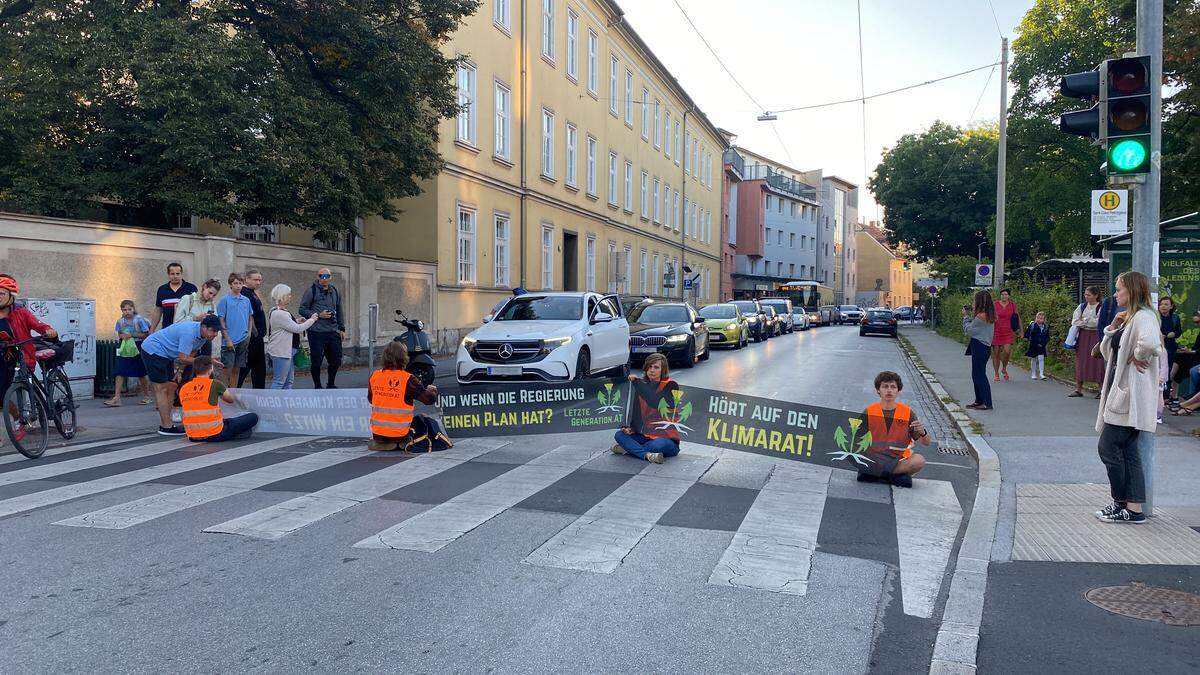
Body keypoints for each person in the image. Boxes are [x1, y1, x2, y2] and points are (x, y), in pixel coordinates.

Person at [1094, 271, 1162, 525]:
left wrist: (1139, 356)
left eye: (1119, 289)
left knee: (1109, 447)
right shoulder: (1130, 318)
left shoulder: (1144, 317)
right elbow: (1104, 351)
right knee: (1129, 451)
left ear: (1131, 291)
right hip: (1123, 394)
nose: (1115, 294)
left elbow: (1151, 343)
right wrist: (1112, 328)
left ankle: (1121, 502)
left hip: (1129, 397)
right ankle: (1133, 509)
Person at [140, 315, 222, 435]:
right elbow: (183, 358)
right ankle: (166, 426)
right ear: (204, 327)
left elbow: (191, 354)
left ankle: (168, 424)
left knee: (172, 386)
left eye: (217, 331)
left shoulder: (203, 337)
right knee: (161, 388)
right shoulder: (189, 333)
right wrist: (208, 360)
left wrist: (180, 371)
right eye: (213, 331)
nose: (215, 334)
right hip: (153, 350)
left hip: (166, 354)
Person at [0, 277, 58, 447]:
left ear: (11, 296)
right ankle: (19, 418)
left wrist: (48, 330)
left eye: (1, 293)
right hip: (1, 358)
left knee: (5, 393)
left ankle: (23, 416)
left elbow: (39, 325)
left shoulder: (21, 312)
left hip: (20, 357)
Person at [856, 371, 929, 488]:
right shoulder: (869, 411)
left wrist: (923, 432)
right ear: (878, 391)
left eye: (893, 387)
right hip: (874, 458)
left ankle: (878, 474)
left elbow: (926, 443)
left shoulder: (907, 413)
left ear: (898, 391)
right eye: (885, 386)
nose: (889, 390)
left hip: (897, 460)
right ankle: (892, 476)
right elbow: (856, 439)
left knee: (919, 461)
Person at [367, 342, 438, 451]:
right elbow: (428, 400)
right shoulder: (408, 379)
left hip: (378, 435)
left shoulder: (375, 376)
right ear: (403, 358)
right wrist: (431, 391)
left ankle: (387, 443)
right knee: (423, 417)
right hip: (401, 434)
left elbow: (371, 399)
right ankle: (401, 442)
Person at [611, 353, 681, 464]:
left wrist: (637, 384)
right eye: (649, 366)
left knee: (658, 445)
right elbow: (636, 413)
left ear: (662, 370)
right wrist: (629, 427)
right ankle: (647, 455)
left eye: (656, 367)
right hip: (645, 435)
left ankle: (629, 449)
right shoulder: (642, 385)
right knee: (619, 435)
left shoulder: (671, 385)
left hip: (666, 438)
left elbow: (655, 401)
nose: (652, 370)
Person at [178, 356, 259, 442]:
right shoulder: (215, 384)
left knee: (226, 421)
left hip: (192, 435)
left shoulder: (184, 388)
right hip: (215, 433)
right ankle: (233, 434)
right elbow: (230, 400)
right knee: (253, 417)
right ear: (210, 369)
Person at [298, 267, 346, 389]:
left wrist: (342, 328)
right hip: (316, 332)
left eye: (326, 276)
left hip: (333, 331)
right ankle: (317, 386)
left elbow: (339, 309)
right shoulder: (311, 291)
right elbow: (302, 309)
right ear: (317, 277)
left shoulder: (334, 291)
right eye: (321, 276)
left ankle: (331, 383)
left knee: (336, 361)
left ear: (330, 277)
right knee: (316, 362)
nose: (324, 279)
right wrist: (319, 315)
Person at [266, 284, 317, 390]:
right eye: (288, 294)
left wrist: (297, 321)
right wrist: (312, 319)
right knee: (279, 382)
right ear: (282, 296)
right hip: (281, 352)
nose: (290, 296)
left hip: (287, 351)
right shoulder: (280, 313)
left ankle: (284, 403)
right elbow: (298, 329)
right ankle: (272, 404)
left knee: (288, 381)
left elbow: (285, 326)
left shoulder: (277, 310)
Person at [105, 300, 152, 407]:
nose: (127, 312)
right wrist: (122, 336)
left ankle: (147, 396)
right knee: (119, 370)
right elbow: (119, 333)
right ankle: (117, 397)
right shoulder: (120, 321)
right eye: (124, 310)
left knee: (141, 372)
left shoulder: (139, 320)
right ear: (121, 310)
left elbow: (145, 334)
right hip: (126, 346)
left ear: (133, 309)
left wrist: (132, 335)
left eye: (129, 309)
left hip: (139, 346)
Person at [217, 273, 253, 387]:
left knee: (237, 369)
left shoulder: (246, 300)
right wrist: (227, 339)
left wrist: (249, 333)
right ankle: (221, 394)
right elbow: (221, 320)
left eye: (240, 283)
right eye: (235, 283)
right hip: (230, 340)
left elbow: (250, 318)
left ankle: (233, 393)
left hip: (243, 338)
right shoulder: (225, 300)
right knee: (227, 369)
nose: (238, 286)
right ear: (230, 285)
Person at [1069, 286, 1105, 398]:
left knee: (1098, 362)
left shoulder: (1101, 307)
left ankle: (1101, 390)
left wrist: (1084, 321)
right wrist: (1087, 322)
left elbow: (1098, 323)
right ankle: (1078, 389)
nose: (1086, 296)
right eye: (1085, 294)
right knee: (1081, 361)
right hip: (1083, 336)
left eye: (1088, 294)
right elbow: (1074, 321)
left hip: (1096, 336)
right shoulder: (1082, 306)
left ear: (1096, 295)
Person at [962, 291, 996, 410]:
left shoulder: (981, 316)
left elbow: (969, 330)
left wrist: (966, 317)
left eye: (975, 300)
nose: (973, 303)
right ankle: (979, 400)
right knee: (977, 374)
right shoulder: (989, 314)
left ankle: (986, 402)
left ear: (980, 302)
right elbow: (978, 328)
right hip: (984, 347)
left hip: (979, 346)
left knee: (979, 375)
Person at [238, 269, 267, 389]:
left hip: (258, 338)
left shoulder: (252, 292)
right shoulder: (245, 294)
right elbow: (249, 317)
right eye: (255, 279)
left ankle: (259, 394)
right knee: (245, 367)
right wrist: (254, 334)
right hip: (252, 338)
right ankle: (232, 391)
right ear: (247, 279)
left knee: (259, 369)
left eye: (260, 280)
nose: (258, 282)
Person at [149, 262, 198, 332]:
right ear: (168, 275)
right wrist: (152, 330)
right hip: (167, 330)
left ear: (181, 274)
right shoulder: (162, 289)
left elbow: (196, 308)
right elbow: (158, 310)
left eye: (178, 274)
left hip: (187, 329)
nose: (175, 276)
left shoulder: (191, 288)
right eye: (172, 274)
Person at [1158, 297, 1182, 404]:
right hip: (1158, 346)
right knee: (1158, 370)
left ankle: (1165, 396)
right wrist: (1159, 335)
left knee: (1167, 370)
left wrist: (1174, 334)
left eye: (1166, 304)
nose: (1163, 306)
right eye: (1161, 304)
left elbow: (1178, 331)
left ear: (1171, 306)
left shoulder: (1175, 318)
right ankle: (1156, 395)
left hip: (1171, 347)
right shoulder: (1156, 317)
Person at [991, 288, 1018, 381]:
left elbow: (1017, 317)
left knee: (1007, 351)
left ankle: (1004, 368)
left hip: (1008, 331)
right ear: (1000, 295)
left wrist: (1021, 330)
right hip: (996, 331)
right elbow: (990, 316)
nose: (1004, 296)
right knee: (996, 353)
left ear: (1009, 296)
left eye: (1006, 294)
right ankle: (996, 373)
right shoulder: (995, 304)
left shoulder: (1013, 305)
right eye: (1002, 294)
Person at [1024, 311, 1051, 380]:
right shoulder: (1033, 325)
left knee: (1041, 358)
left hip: (1042, 345)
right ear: (1036, 318)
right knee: (1034, 359)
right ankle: (1033, 374)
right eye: (1038, 318)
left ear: (1044, 319)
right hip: (1033, 345)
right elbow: (1027, 334)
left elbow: (1047, 337)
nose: (1040, 320)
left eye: (1041, 318)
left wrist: (1044, 343)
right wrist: (1026, 338)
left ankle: (1041, 374)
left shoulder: (1046, 327)